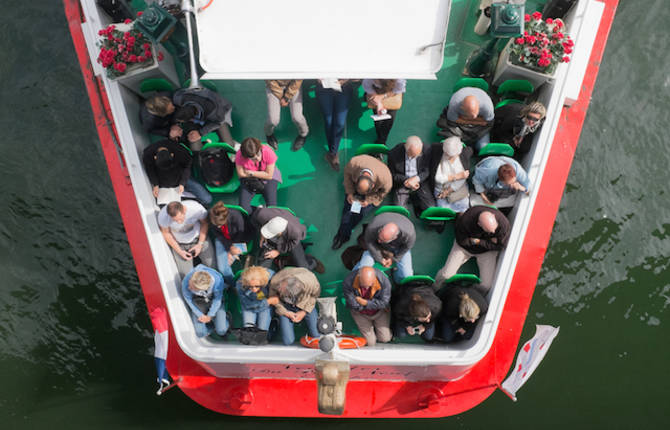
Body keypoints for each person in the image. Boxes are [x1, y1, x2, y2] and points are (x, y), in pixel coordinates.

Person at [433, 206, 511, 293]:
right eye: (489, 232)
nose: (493, 233)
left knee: (486, 285)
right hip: (464, 249)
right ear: (479, 224)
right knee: (445, 275)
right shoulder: (466, 219)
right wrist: (488, 242)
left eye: (494, 231)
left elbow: (501, 246)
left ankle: (472, 294)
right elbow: (462, 241)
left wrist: (478, 241)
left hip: (486, 252)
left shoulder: (503, 225)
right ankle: (434, 289)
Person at [331, 154, 393, 250]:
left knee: (361, 213)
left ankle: (345, 232)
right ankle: (343, 234)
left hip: (371, 196)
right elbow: (347, 176)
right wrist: (350, 193)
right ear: (359, 178)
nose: (359, 196)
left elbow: (383, 194)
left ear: (372, 186)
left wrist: (368, 200)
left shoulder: (386, 179)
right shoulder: (353, 163)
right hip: (355, 188)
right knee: (347, 210)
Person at [251, 207, 323, 272]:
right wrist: (263, 235)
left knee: (303, 268)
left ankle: (313, 262)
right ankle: (283, 260)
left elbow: (291, 244)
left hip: (289, 240)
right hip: (275, 234)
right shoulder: (261, 214)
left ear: (280, 232)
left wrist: (278, 252)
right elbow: (256, 222)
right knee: (263, 264)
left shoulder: (296, 233)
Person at [141, 139, 212, 206]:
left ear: (172, 155)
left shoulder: (179, 150)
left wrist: (182, 183)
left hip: (181, 176)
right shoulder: (148, 153)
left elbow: (187, 165)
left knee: (207, 199)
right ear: (155, 158)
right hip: (163, 181)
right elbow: (149, 169)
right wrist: (155, 184)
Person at [158, 200, 214, 277]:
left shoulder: (196, 209)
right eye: (175, 220)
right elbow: (166, 233)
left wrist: (200, 244)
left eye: (181, 218)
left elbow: (205, 223)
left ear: (184, 210)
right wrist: (180, 251)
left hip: (198, 239)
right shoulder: (163, 217)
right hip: (180, 245)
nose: (179, 222)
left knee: (213, 267)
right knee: (186, 276)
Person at [355, 212, 415, 283]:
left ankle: (397, 280)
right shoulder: (372, 227)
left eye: (382, 240)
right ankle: (354, 281)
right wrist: (379, 258)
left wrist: (394, 259)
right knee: (363, 268)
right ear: (381, 229)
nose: (379, 241)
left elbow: (406, 248)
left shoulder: (409, 235)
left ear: (394, 237)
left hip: (398, 248)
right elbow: (369, 242)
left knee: (407, 275)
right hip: (377, 247)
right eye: (379, 237)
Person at [268, 267, 321, 345]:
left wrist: (304, 312)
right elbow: (274, 300)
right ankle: (276, 322)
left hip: (305, 304)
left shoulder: (311, 282)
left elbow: (314, 296)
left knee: (316, 336)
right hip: (286, 307)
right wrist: (286, 313)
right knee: (288, 342)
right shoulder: (275, 281)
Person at [171, 86, 235, 151]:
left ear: (191, 118)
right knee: (195, 148)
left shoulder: (217, 114)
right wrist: (175, 125)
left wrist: (200, 133)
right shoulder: (178, 98)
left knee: (229, 144)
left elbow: (218, 123)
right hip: (198, 115)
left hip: (218, 116)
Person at [342, 267, 392, 347]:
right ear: (359, 277)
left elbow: (384, 303)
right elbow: (353, 304)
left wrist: (365, 303)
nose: (366, 288)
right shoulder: (348, 281)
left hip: (379, 312)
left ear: (374, 278)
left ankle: (382, 332)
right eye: (363, 285)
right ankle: (371, 334)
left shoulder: (384, 281)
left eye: (369, 285)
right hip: (360, 313)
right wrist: (371, 305)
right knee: (370, 343)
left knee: (385, 339)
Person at [209, 202, 254, 284]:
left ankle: (234, 285)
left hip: (241, 240)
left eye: (220, 225)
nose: (218, 227)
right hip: (224, 240)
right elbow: (218, 234)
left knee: (224, 266)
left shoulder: (236, 217)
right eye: (216, 225)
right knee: (222, 268)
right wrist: (229, 247)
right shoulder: (212, 217)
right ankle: (233, 284)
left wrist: (232, 250)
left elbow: (242, 234)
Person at [387, 136, 434, 215]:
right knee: (400, 210)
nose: (415, 157)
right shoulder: (393, 154)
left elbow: (427, 170)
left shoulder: (427, 150)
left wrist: (417, 179)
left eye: (417, 155)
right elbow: (392, 174)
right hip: (402, 182)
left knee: (431, 207)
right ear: (406, 148)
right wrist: (407, 180)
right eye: (412, 156)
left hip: (420, 182)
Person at [316, 79, 356, 171]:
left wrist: (345, 80)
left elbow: (357, 75)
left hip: (343, 87)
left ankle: (332, 153)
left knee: (340, 123)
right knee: (328, 121)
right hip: (324, 87)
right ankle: (333, 153)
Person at [437, 87, 494, 151]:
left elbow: (487, 122)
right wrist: (479, 120)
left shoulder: (487, 107)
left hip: (476, 126)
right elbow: (452, 120)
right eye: (470, 114)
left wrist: (465, 119)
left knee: (482, 148)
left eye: (476, 113)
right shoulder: (454, 105)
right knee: (453, 147)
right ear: (462, 108)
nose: (474, 117)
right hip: (461, 125)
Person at [234, 137, 282, 214]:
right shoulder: (239, 155)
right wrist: (261, 174)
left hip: (267, 179)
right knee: (243, 208)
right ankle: (258, 212)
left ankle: (262, 212)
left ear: (260, 148)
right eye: (253, 158)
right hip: (249, 179)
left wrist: (251, 173)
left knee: (272, 207)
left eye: (259, 154)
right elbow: (241, 174)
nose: (258, 159)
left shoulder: (268, 152)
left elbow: (269, 175)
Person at [181, 264, 228, 338]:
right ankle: (211, 327)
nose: (189, 288)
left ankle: (225, 318)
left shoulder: (218, 281)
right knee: (200, 333)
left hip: (213, 300)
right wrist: (200, 315)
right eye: (190, 284)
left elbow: (217, 299)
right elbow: (188, 299)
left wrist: (210, 315)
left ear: (204, 288)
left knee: (221, 331)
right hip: (198, 301)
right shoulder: (187, 281)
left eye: (193, 288)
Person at [428, 136, 473, 213]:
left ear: (459, 152)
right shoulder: (437, 150)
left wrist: (448, 190)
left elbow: (462, 179)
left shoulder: (465, 154)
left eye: (451, 156)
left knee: (465, 210)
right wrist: (456, 176)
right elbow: (438, 179)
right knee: (443, 211)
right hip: (440, 189)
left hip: (458, 189)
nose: (448, 157)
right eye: (446, 154)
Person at [264, 80, 309, 151]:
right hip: (274, 86)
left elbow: (298, 79)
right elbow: (269, 80)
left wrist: (286, 97)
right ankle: (269, 134)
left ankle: (303, 134)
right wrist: (281, 95)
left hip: (293, 85)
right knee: (273, 120)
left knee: (297, 117)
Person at [362, 79, 407, 145]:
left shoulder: (399, 80)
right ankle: (380, 138)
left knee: (389, 120)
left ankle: (382, 141)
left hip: (392, 94)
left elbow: (397, 90)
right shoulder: (369, 79)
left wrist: (382, 96)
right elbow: (369, 89)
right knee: (378, 121)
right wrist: (378, 102)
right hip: (376, 92)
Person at [236, 266, 274, 331]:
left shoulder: (271, 278)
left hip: (265, 307)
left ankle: (272, 326)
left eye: (257, 286)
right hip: (249, 307)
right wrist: (267, 302)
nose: (254, 289)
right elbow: (247, 304)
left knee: (262, 330)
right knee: (248, 329)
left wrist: (267, 302)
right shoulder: (240, 284)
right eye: (250, 286)